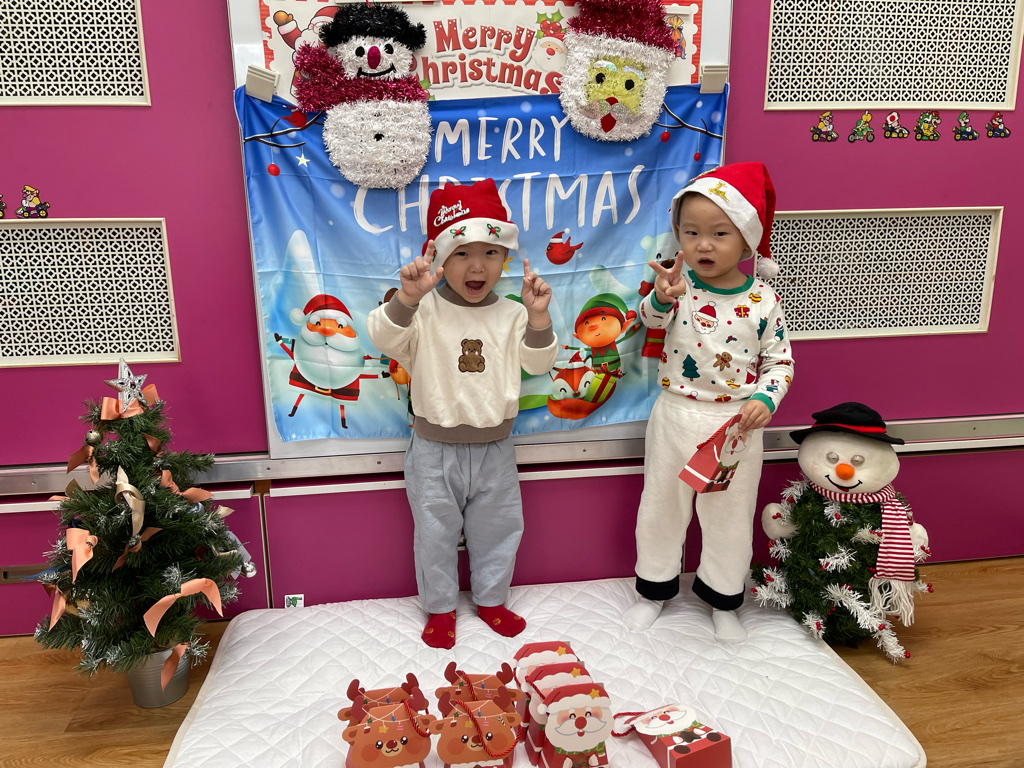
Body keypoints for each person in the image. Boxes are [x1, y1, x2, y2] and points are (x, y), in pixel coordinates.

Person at [367, 178, 558, 649]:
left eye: (491, 252)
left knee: (499, 530)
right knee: (435, 535)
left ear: (505, 257)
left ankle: (492, 600)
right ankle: (439, 608)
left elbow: (538, 364)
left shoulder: (512, 313)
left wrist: (538, 317)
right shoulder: (423, 309)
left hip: (495, 448)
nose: (477, 265)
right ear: (439, 257)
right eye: (462, 253)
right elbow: (383, 338)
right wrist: (406, 299)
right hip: (434, 449)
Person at [623, 162, 795, 642]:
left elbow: (780, 362)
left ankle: (723, 599)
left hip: (735, 426)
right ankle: (653, 592)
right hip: (675, 414)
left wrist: (766, 399)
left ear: (747, 240)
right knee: (660, 508)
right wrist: (662, 297)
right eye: (691, 232)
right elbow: (650, 321)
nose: (703, 244)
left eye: (720, 233)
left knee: (729, 519)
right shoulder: (678, 286)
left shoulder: (763, 300)